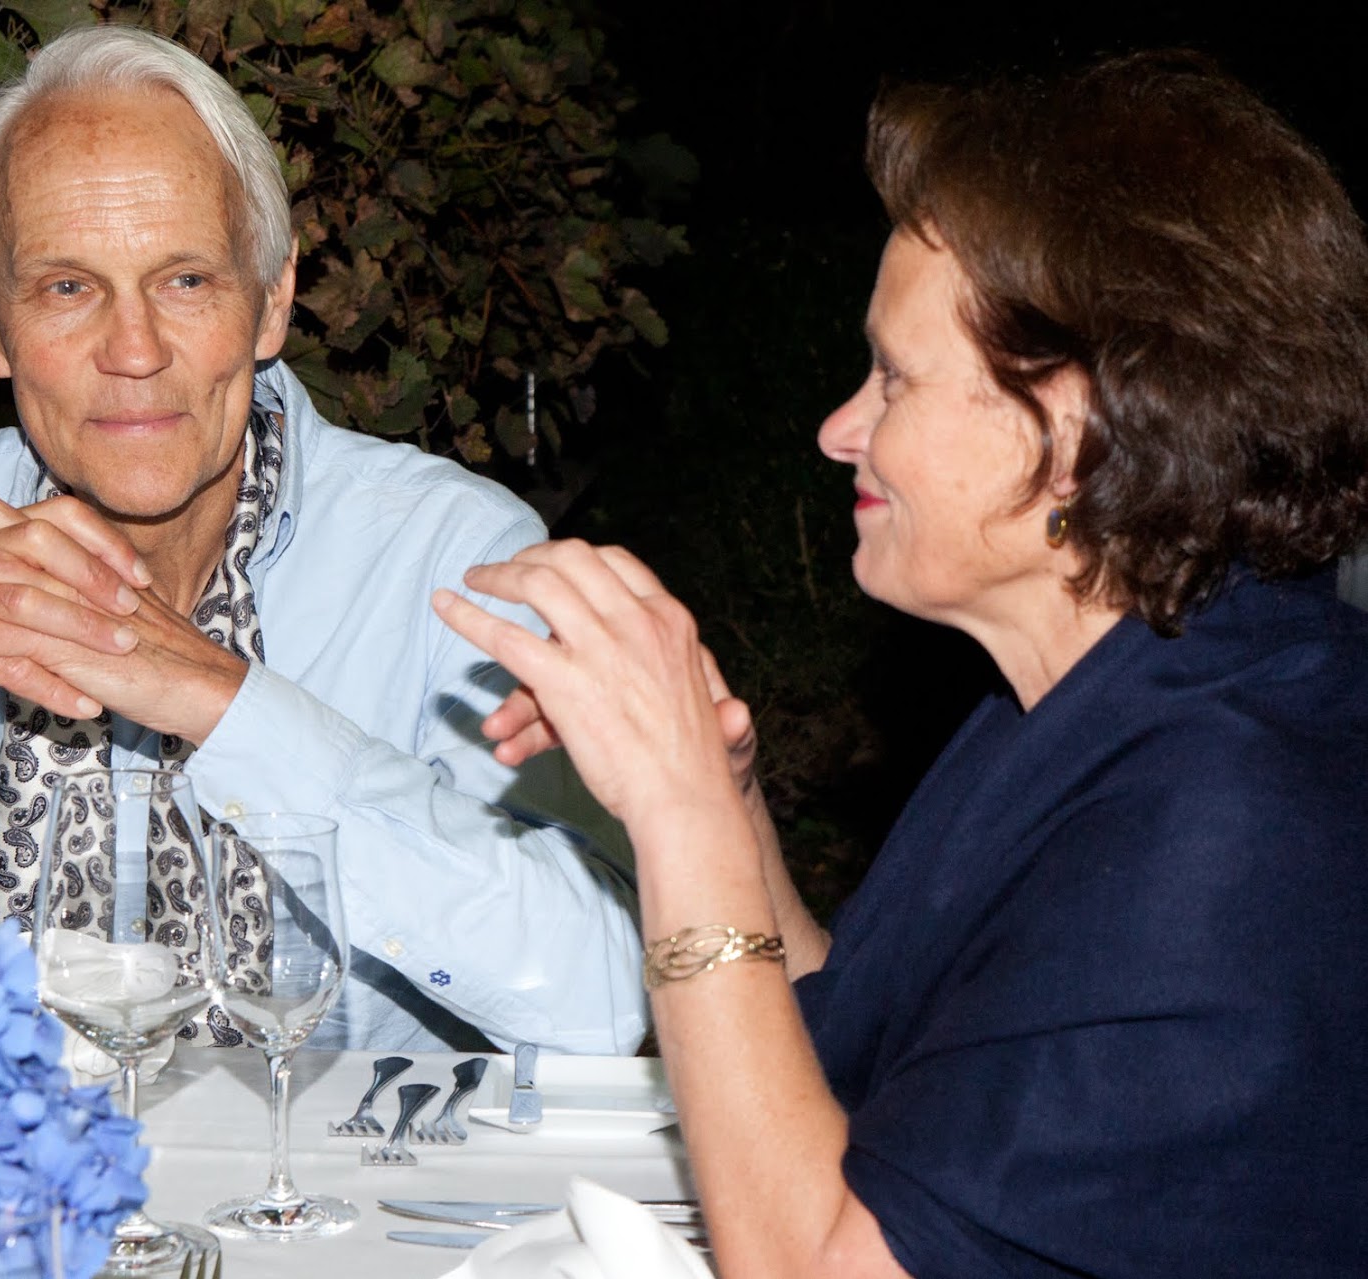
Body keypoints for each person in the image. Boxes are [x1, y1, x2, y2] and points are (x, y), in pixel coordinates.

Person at [435, 51, 1368, 1277]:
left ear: (1073, 431)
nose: (838, 429)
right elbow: (871, 1066)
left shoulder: (1224, 816)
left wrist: (677, 818)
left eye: (893, 376)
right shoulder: (1102, 698)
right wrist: (720, 801)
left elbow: (818, 1261)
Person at [0, 24, 645, 1056]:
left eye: (186, 281)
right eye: (67, 287)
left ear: (271, 300)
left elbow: (601, 998)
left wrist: (227, 708)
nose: (133, 352)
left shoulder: (450, 558)